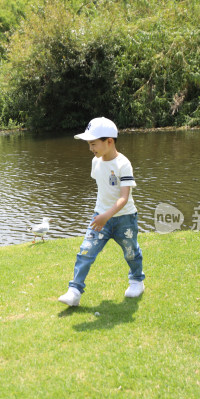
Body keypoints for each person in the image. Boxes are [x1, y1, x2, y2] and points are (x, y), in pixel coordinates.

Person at [58, 117, 145, 307]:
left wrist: (108, 215)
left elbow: (124, 197)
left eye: (93, 144)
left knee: (131, 252)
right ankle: (74, 291)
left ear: (109, 141)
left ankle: (137, 281)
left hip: (125, 219)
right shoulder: (95, 162)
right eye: (89, 144)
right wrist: (102, 215)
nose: (91, 148)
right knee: (86, 251)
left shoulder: (123, 164)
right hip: (100, 217)